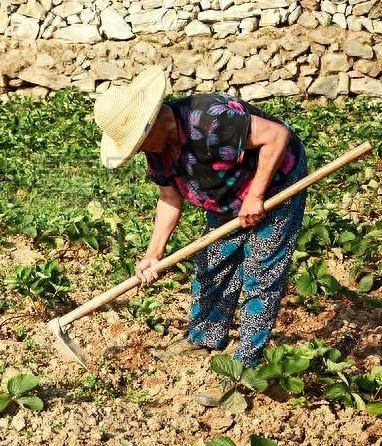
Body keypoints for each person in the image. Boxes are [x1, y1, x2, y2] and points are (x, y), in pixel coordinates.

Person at [92, 66, 307, 407]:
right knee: (213, 264)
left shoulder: (210, 120)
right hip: (225, 195)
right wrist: (153, 254)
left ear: (152, 124)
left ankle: (242, 367)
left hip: (274, 183)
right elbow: (169, 199)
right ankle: (205, 336)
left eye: (138, 142)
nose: (139, 151)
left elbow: (277, 136)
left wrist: (256, 196)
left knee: (261, 275)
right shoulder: (159, 150)